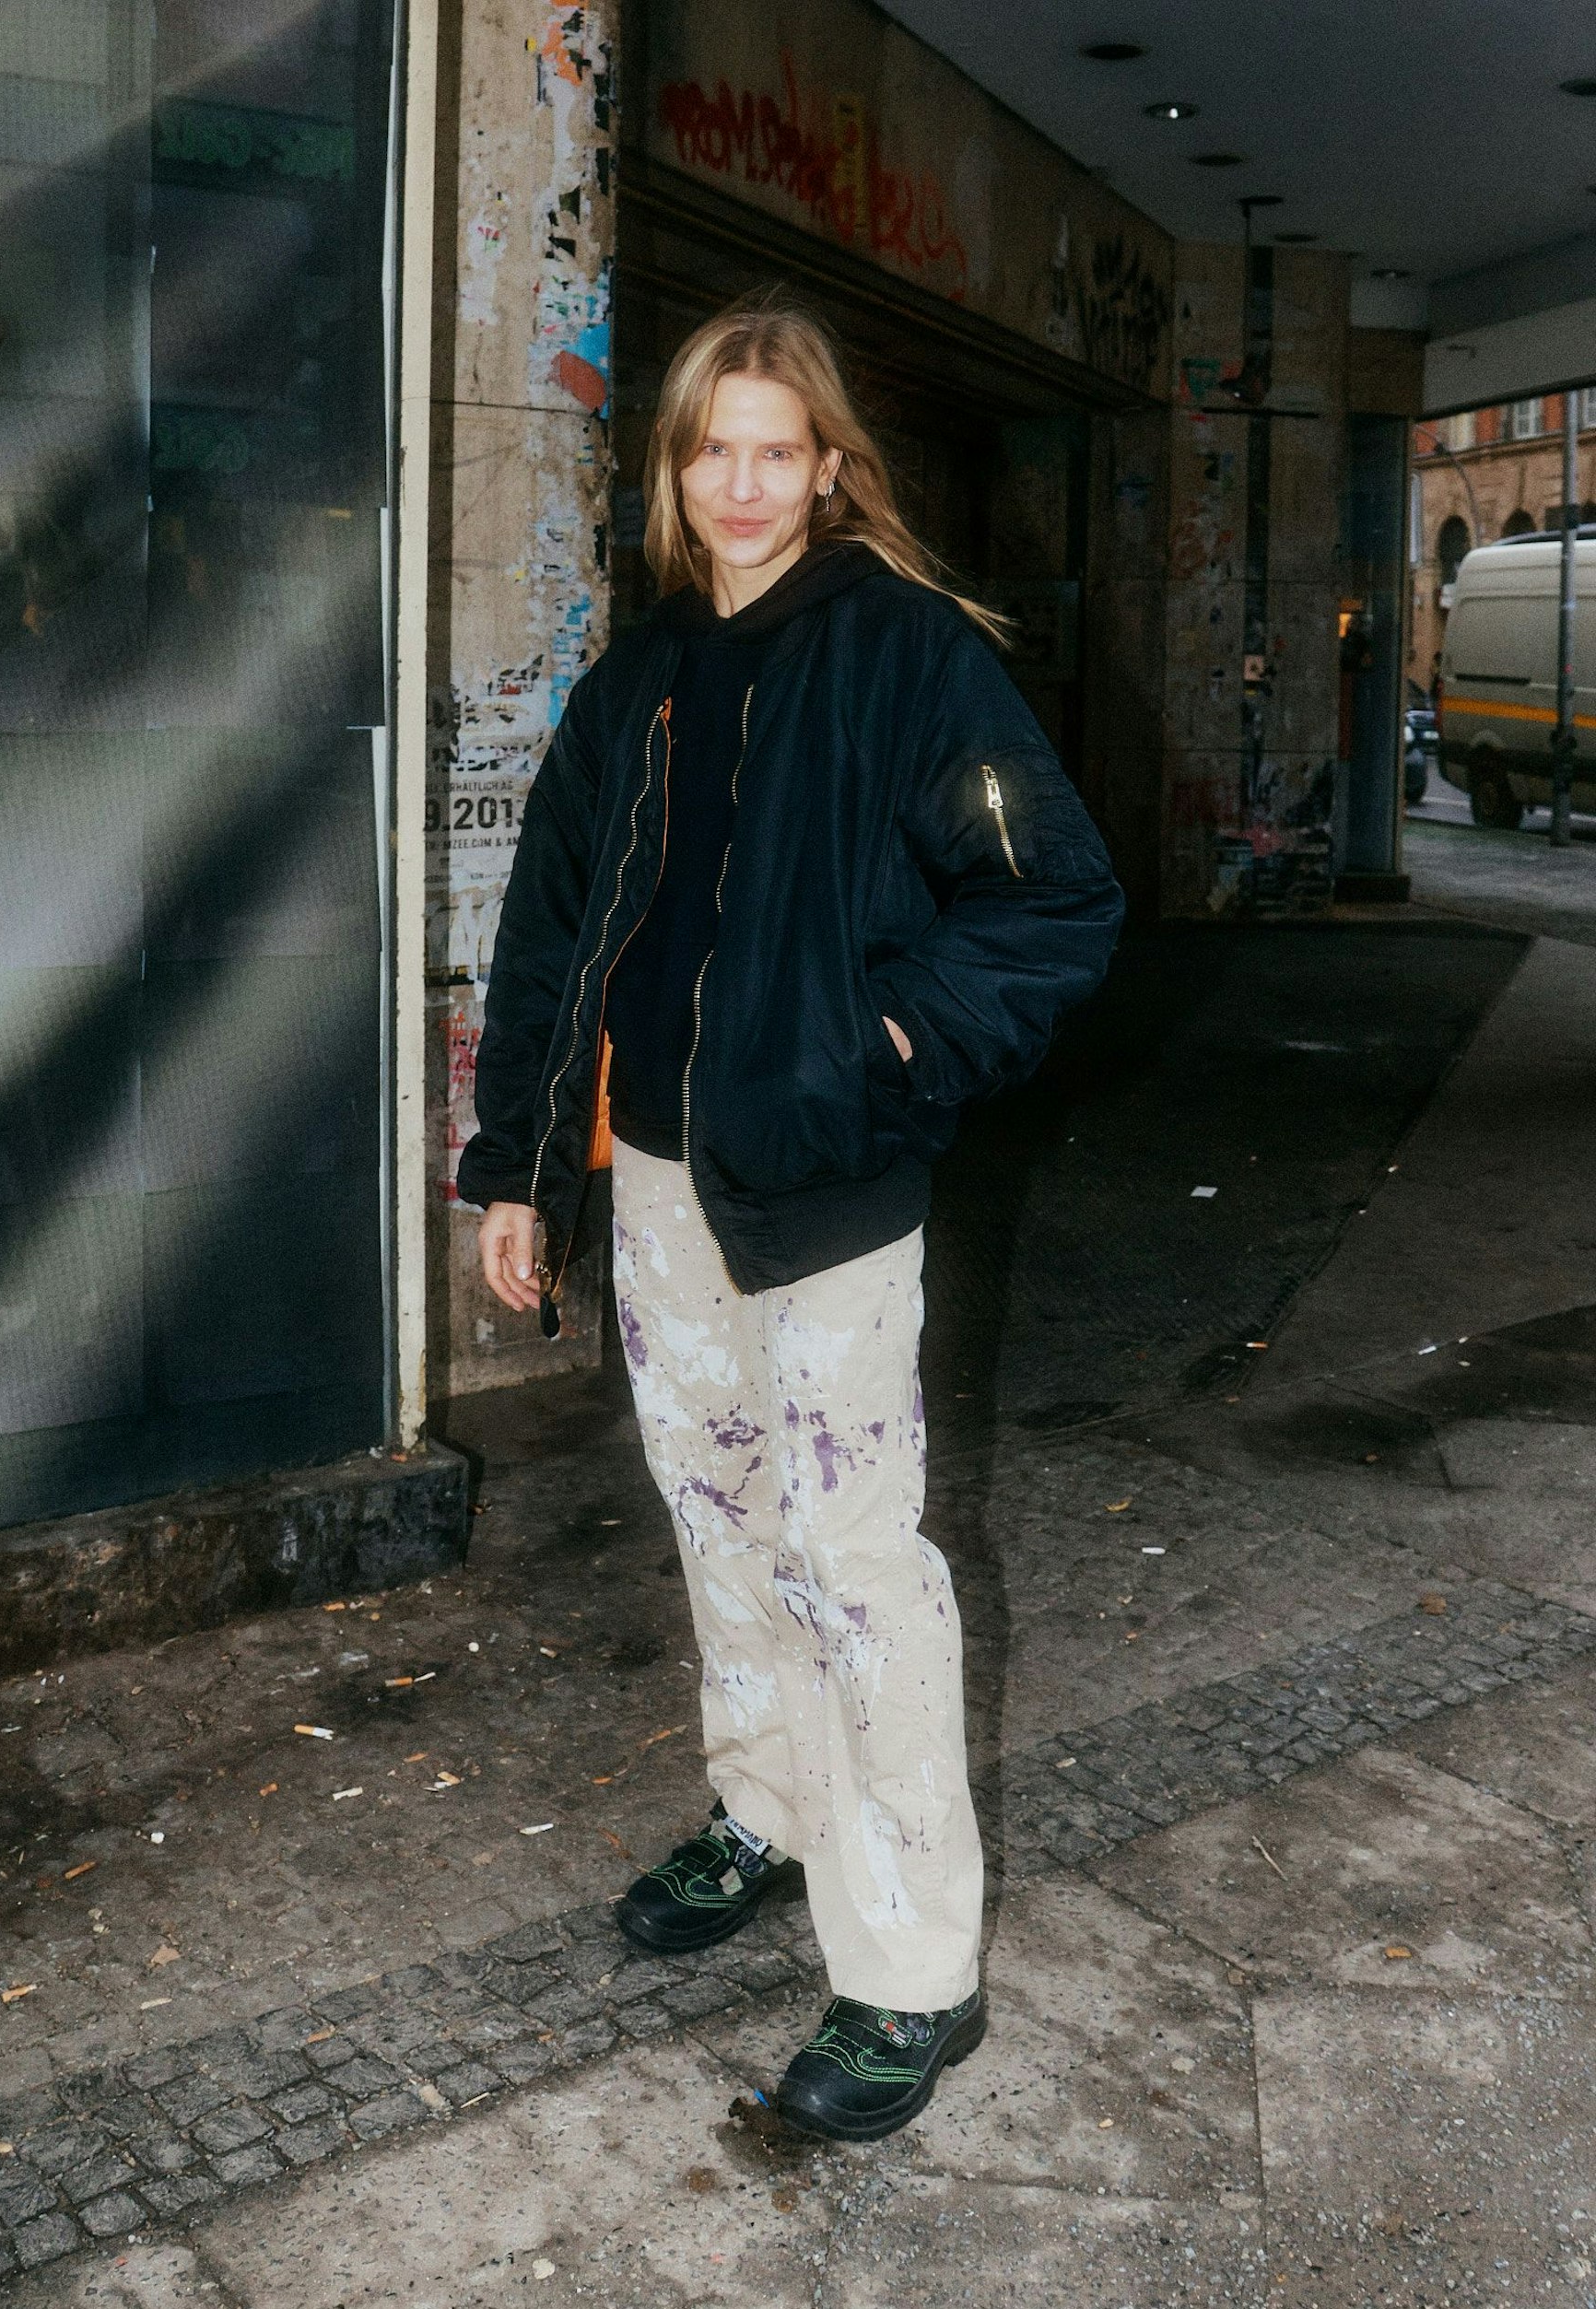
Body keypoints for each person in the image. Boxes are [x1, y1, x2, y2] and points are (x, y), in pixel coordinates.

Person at [459, 290, 1123, 2141]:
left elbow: (1053, 904)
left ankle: (911, 1965)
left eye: (777, 450)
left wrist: (887, 1041)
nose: (743, 484)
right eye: (710, 451)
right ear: (674, 473)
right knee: (715, 1508)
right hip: (658, 1180)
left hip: (826, 1183)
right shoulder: (637, 682)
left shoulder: (912, 658)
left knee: (858, 1557)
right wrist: (518, 1168)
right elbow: (547, 946)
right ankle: (763, 1803)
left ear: (829, 467)